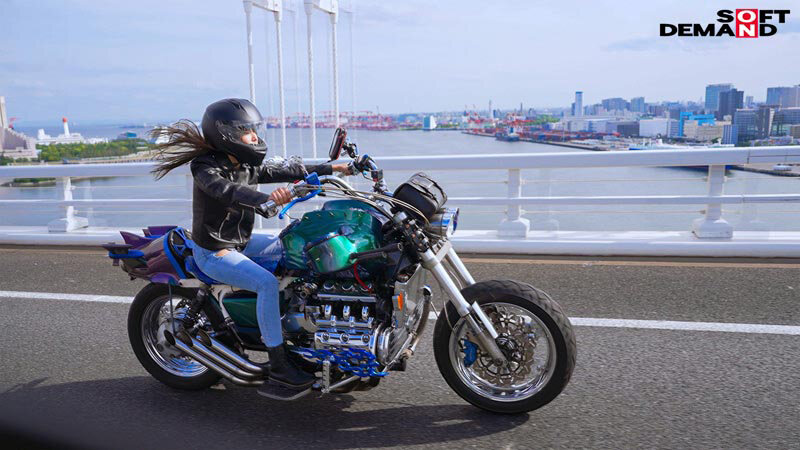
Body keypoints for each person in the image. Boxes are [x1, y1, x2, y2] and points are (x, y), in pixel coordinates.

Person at [150, 98, 352, 391]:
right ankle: (279, 363)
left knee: (298, 250)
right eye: (247, 131)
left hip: (241, 244)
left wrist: (333, 168)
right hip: (214, 251)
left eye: (255, 129)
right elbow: (227, 190)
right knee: (266, 283)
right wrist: (266, 200)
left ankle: (302, 335)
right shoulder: (204, 167)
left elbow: (286, 170)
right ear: (226, 133)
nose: (255, 137)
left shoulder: (246, 164)